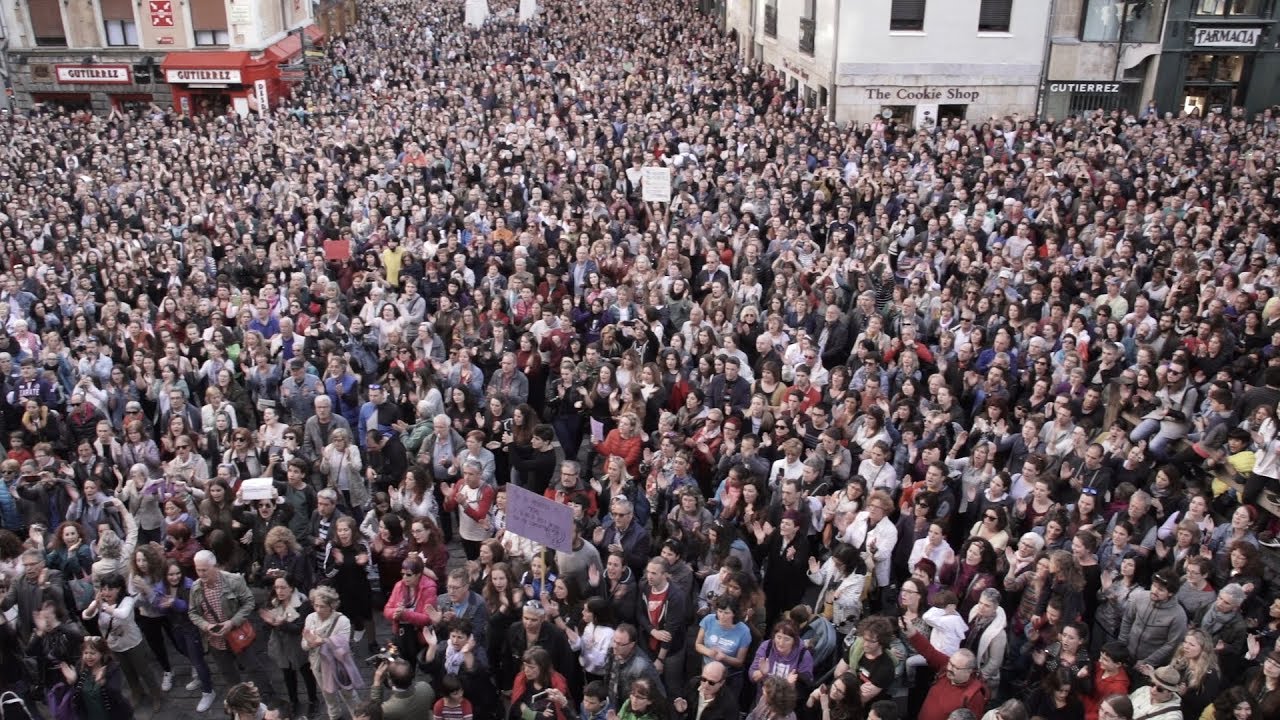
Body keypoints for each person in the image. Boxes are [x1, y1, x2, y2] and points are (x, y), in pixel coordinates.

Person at [189, 549, 278, 702]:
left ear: (214, 566)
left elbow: (249, 602)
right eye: (198, 570)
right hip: (216, 640)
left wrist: (232, 622)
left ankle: (268, 697)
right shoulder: (196, 588)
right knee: (228, 673)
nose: (201, 574)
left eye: (204, 570)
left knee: (253, 668)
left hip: (238, 635)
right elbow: (192, 612)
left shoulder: (233, 580)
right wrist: (206, 626)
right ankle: (240, 702)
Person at [899, 616, 989, 720]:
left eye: (955, 667)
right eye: (950, 663)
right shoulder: (945, 666)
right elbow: (929, 651)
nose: (949, 668)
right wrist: (912, 632)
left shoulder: (974, 696)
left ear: (969, 671)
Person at [303, 584, 364, 720]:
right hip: (318, 664)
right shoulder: (310, 618)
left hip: (339, 664)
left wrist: (322, 641)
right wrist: (310, 643)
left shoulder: (342, 621)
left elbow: (344, 644)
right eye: (316, 605)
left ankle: (359, 716)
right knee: (328, 695)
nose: (318, 609)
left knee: (349, 693)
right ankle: (335, 717)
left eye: (322, 606)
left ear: (332, 606)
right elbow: (304, 645)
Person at [370, 657, 435, 720]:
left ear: (390, 682)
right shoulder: (425, 687)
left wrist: (376, 682)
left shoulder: (388, 709)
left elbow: (375, 713)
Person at [672, 660, 739, 720]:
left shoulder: (730, 705)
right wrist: (682, 711)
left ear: (721, 683)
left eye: (711, 682)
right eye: (703, 679)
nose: (705, 685)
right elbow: (685, 709)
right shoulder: (693, 684)